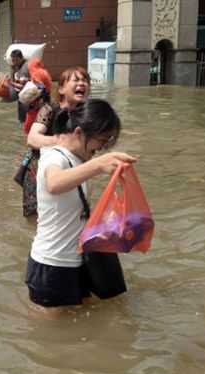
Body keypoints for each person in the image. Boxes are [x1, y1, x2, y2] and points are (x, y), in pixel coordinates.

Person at [25, 99, 137, 316]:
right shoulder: (54, 156)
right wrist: (98, 165)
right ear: (78, 132)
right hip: (52, 264)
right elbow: (54, 183)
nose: (102, 149)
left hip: (76, 261)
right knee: (50, 338)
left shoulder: (76, 158)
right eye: (101, 141)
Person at [21, 66, 91, 218]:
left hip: (71, 171)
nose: (82, 84)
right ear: (61, 90)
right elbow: (32, 138)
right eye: (76, 80)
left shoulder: (87, 115)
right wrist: (63, 141)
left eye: (85, 81)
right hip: (41, 171)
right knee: (38, 218)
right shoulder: (50, 109)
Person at [8, 49, 30, 123]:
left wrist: (11, 83)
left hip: (28, 96)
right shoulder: (15, 67)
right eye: (13, 60)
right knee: (22, 119)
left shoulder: (25, 68)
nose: (15, 62)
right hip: (22, 95)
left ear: (22, 58)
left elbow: (24, 87)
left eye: (17, 60)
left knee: (24, 119)